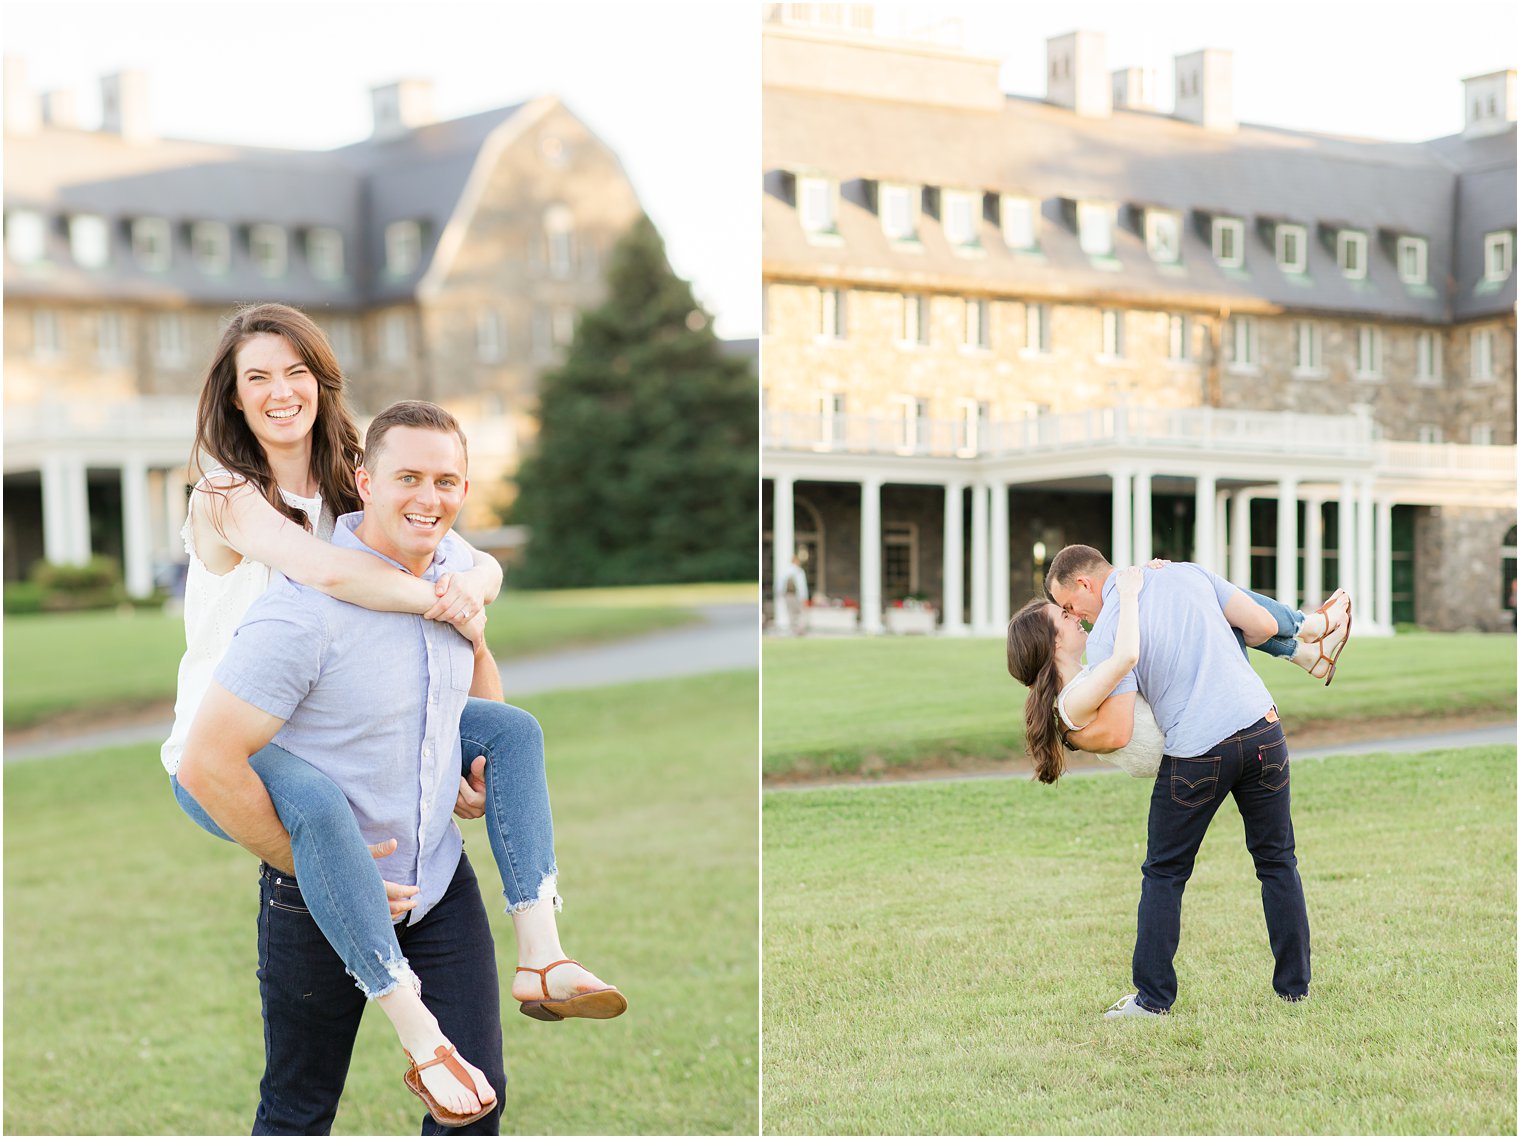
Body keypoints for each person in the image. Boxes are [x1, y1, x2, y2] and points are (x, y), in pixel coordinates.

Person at [165, 306, 620, 1120]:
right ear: (231, 398)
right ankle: (419, 1036)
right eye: (257, 377)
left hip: (336, 726)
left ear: (322, 379)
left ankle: (542, 954)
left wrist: (468, 592)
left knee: (510, 733)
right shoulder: (228, 494)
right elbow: (331, 577)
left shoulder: (359, 477)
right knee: (321, 817)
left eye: (296, 372)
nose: (280, 392)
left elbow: (474, 560)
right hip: (237, 738)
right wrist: (445, 599)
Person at [181, 404, 508, 1128]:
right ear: (364, 480)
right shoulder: (301, 614)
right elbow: (205, 763)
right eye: (410, 478)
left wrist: (469, 756)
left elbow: (475, 708)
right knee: (300, 1108)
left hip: (441, 882)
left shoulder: (455, 575)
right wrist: (310, 866)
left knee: (478, 1099)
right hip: (317, 894)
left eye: (447, 479)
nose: (430, 497)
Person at [1044, 545, 1321, 1018]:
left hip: (1198, 749)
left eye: (1070, 606)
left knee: (1164, 873)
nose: (1076, 617)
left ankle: (1152, 1000)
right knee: (1277, 861)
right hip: (1262, 725)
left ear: (1084, 584)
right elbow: (1263, 627)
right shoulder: (1187, 573)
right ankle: (1294, 989)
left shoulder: (1110, 628)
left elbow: (1121, 727)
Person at [1007, 561, 1352, 782]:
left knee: (1195, 593)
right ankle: (1306, 629)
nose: (1075, 615)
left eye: (1068, 608)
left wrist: (1151, 579)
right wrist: (1131, 592)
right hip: (1184, 754)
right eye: (1065, 614)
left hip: (1187, 747)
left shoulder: (1084, 676)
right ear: (1050, 644)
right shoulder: (1081, 688)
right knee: (1202, 593)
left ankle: (1304, 650)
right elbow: (1126, 658)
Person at [782, 553, 809, 634]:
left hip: (787, 595)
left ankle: (793, 630)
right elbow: (801, 586)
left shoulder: (786, 570)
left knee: (791, 613)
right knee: (800, 613)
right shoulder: (799, 571)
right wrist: (804, 598)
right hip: (797, 596)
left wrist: (780, 594)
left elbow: (780, 584)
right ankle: (799, 630)